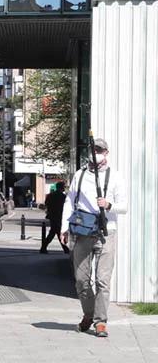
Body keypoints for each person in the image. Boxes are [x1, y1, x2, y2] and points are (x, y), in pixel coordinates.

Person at [61, 138, 126, 338]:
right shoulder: (80, 175)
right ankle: (88, 314)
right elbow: (70, 202)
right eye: (94, 149)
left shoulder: (114, 176)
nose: (96, 152)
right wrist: (64, 227)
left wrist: (108, 204)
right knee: (81, 280)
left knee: (102, 281)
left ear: (106, 153)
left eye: (100, 149)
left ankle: (100, 322)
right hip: (82, 232)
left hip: (107, 232)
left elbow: (124, 206)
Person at [40, 182, 68, 254]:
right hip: (59, 216)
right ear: (61, 188)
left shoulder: (50, 195)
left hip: (52, 215)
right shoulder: (63, 196)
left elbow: (46, 204)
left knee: (54, 232)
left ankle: (44, 247)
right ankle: (65, 249)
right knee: (57, 232)